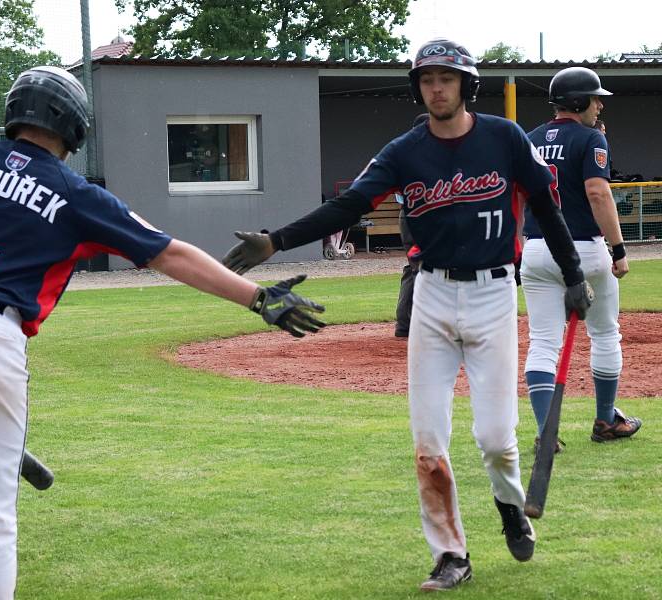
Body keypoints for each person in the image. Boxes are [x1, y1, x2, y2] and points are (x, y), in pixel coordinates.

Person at [0, 66, 326, 600]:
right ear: (75, 130)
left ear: (14, 112)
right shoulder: (73, 192)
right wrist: (259, 296)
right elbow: (168, 253)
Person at [222, 38, 593, 591]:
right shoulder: (404, 151)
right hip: (433, 296)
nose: (436, 88)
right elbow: (349, 206)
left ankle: (510, 507)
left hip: (493, 295)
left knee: (497, 439)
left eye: (446, 78)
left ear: (466, 85)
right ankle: (451, 554)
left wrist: (574, 273)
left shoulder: (504, 137)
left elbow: (544, 204)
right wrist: (277, 241)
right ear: (417, 88)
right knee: (428, 443)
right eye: (426, 79)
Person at [522, 67, 641, 449]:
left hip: (538, 247)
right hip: (584, 248)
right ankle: (606, 420)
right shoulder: (591, 139)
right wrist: (619, 249)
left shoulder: (529, 139)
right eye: (594, 98)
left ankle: (546, 431)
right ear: (578, 102)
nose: (600, 104)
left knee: (542, 340)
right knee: (605, 333)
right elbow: (597, 194)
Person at [394, 112, 429, 337]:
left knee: (414, 267)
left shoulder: (402, 152)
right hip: (423, 216)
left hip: (407, 214)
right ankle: (420, 326)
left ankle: (404, 324)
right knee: (425, 269)